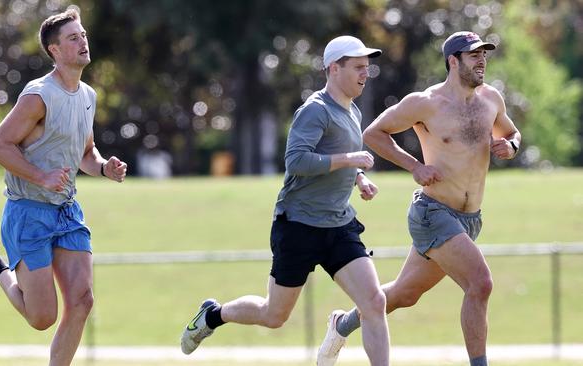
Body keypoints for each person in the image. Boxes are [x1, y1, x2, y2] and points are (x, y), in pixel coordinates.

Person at [180, 35, 390, 366]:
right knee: (273, 314)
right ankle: (214, 315)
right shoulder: (315, 111)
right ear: (334, 69)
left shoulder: (352, 112)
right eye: (359, 67)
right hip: (299, 227)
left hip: (338, 226)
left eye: (368, 67)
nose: (366, 74)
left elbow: (334, 160)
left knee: (374, 302)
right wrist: (351, 160)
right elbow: (297, 162)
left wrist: (359, 179)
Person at [316, 31, 521, 366]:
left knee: (404, 294)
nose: (482, 61)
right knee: (480, 283)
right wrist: (414, 166)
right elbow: (373, 134)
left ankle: (342, 324)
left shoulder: (491, 99)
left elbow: (511, 132)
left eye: (484, 54)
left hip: (469, 220)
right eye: (473, 55)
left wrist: (510, 146)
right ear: (453, 62)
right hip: (433, 213)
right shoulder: (425, 102)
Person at [0, 8, 127, 366]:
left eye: (84, 35)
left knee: (82, 302)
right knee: (41, 318)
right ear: (55, 51)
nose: (83, 42)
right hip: (29, 212)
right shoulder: (38, 96)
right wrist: (41, 176)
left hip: (67, 211)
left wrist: (104, 167)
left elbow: (86, 153)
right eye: (73, 38)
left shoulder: (88, 96)